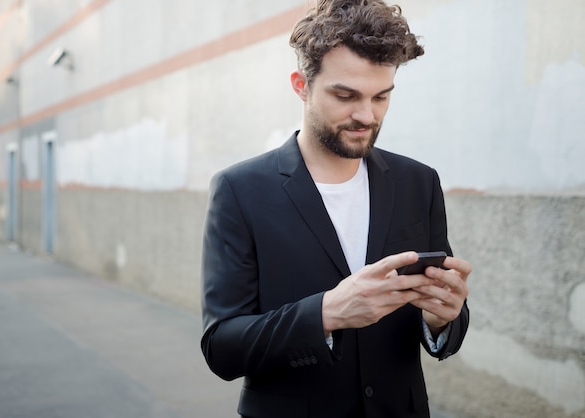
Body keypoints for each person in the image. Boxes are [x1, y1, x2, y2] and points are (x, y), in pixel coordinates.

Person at [200, 0, 471, 416]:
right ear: (300, 85)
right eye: (345, 95)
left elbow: (442, 325)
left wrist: (442, 318)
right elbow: (221, 347)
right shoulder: (239, 190)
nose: (366, 115)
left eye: (382, 96)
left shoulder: (420, 182)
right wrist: (325, 314)